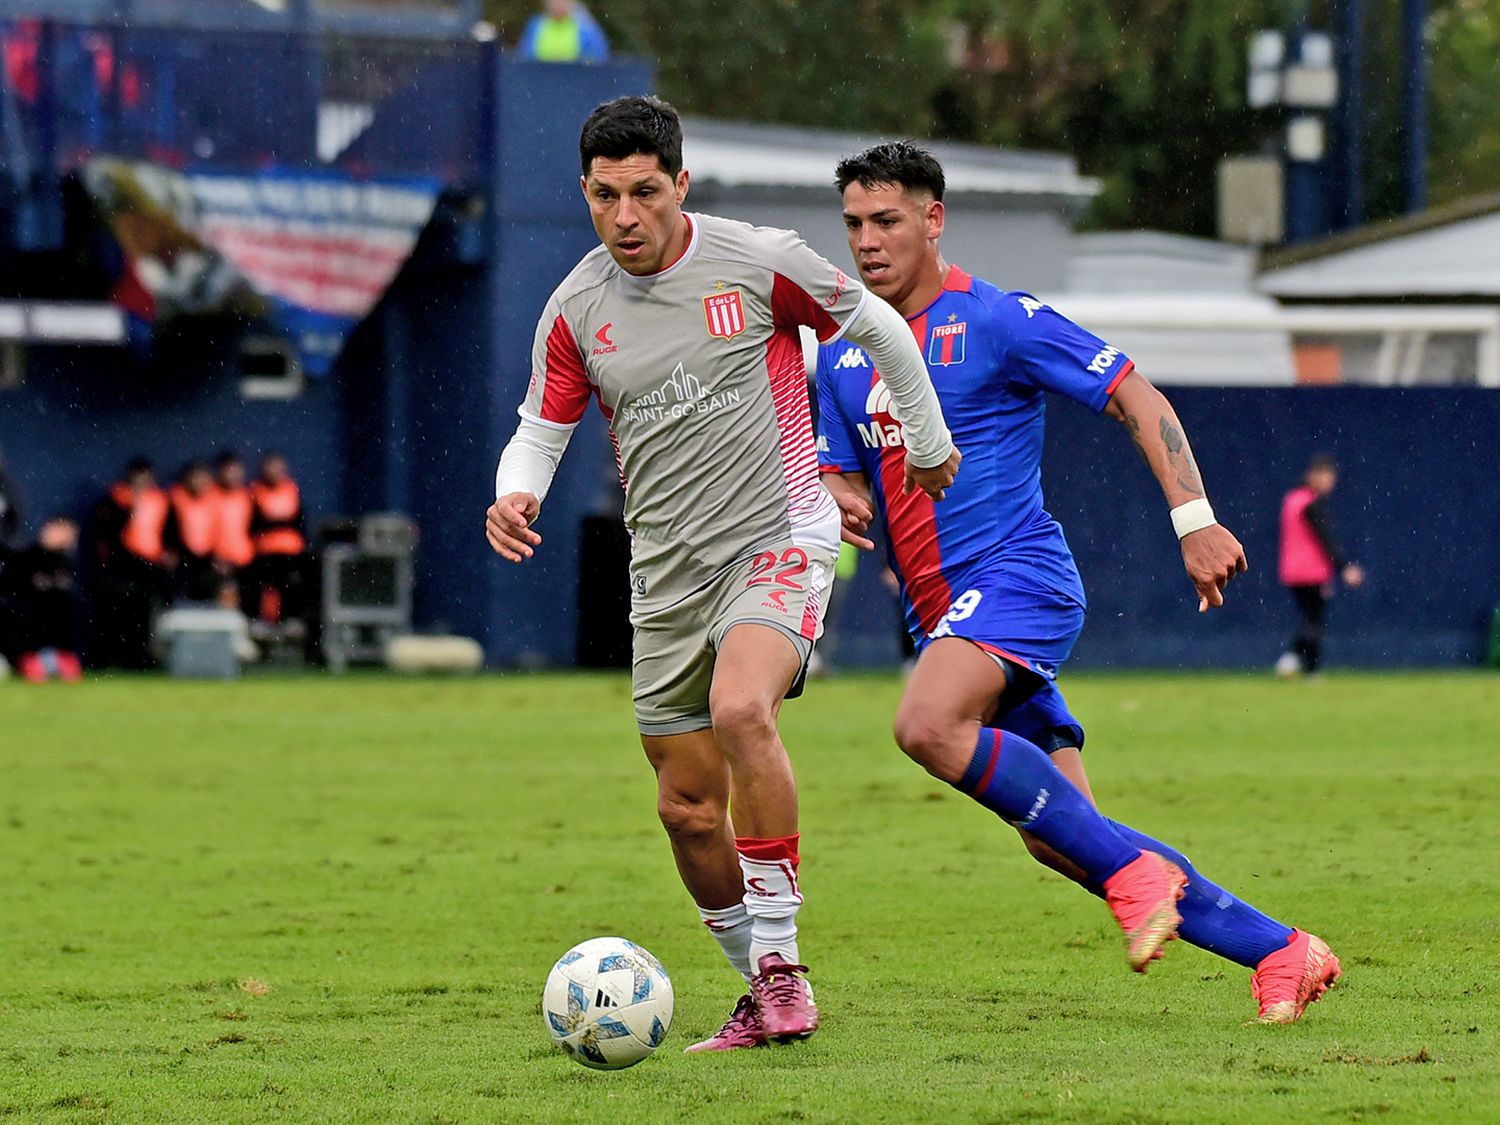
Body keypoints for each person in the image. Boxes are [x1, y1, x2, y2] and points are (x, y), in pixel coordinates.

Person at [815, 142, 1340, 1024]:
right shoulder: (841, 354)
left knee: (924, 722)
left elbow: (1139, 396)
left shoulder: (998, 320)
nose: (867, 241)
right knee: (1067, 840)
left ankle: (1143, 878)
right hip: (943, 612)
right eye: (855, 224)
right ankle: (1283, 949)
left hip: (1020, 576)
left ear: (934, 220)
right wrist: (832, 488)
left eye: (887, 221)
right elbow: (840, 471)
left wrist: (1195, 518)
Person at [484, 95, 962, 1053]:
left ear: (681, 185)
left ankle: (782, 965)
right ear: (584, 193)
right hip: (665, 578)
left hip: (779, 536)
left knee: (746, 708)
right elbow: (544, 425)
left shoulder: (760, 260)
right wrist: (514, 491)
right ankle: (764, 986)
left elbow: (880, 327)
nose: (627, 217)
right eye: (606, 196)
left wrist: (925, 440)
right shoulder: (576, 305)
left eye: (646, 193)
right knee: (687, 807)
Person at [1276, 456, 1364, 677]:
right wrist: (1344, 567)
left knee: (1309, 617)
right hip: (1311, 571)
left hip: (1292, 570)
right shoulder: (1310, 503)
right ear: (1314, 475)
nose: (1329, 484)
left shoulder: (1292, 499)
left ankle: (1295, 660)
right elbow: (1325, 538)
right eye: (1327, 477)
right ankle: (1307, 667)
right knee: (1314, 619)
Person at [91, 456, 172, 669]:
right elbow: (105, 533)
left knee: (145, 615)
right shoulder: (117, 498)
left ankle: (141, 656)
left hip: (150, 568)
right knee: (117, 613)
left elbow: (169, 532)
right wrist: (131, 507)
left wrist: (167, 554)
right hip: (122, 567)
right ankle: (110, 658)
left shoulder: (160, 500)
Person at [2, 515, 84, 683]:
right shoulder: (26, 559)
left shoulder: (66, 563)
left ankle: (57, 659)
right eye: (61, 530)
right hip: (29, 642)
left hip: (58, 643)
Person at [250, 452, 308, 626]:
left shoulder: (292, 490)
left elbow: (299, 521)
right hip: (265, 552)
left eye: (278, 467)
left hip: (291, 551)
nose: (274, 471)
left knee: (292, 586)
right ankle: (264, 621)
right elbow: (255, 523)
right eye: (270, 466)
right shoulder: (256, 491)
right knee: (265, 588)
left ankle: (290, 621)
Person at [167, 460, 221, 603]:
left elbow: (221, 532)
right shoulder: (175, 500)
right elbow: (168, 529)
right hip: (183, 557)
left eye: (202, 477)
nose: (198, 482)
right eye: (194, 477)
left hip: (209, 558)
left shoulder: (215, 500)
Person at [211, 450, 256, 609]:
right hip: (217, 561)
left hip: (245, 559)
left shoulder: (249, 496)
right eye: (229, 470)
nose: (234, 475)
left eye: (237, 470)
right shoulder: (210, 495)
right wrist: (215, 556)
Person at [516, 0, 610, 64]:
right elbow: (524, 57)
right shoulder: (536, 26)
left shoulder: (585, 27)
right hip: (540, 82)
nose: (558, 3)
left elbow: (600, 59)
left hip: (575, 83)